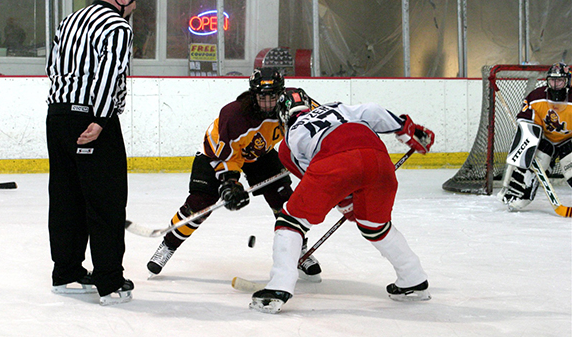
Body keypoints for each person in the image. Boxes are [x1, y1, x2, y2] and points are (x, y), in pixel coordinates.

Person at [249, 88, 435, 313]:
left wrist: (346, 204)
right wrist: (407, 131)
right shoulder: (337, 106)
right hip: (378, 160)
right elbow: (373, 110)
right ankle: (413, 280)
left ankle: (279, 287)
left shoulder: (288, 143)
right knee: (375, 227)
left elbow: (317, 177)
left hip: (336, 161)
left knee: (291, 220)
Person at [146, 68, 322, 281]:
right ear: (253, 94)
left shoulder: (295, 101)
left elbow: (321, 122)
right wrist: (230, 184)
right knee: (199, 204)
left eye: (273, 97)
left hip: (260, 154)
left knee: (284, 199)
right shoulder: (235, 116)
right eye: (262, 97)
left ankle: (299, 251)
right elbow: (227, 157)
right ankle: (168, 245)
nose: (268, 104)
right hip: (217, 155)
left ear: (281, 92)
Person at [45, 0, 146, 306]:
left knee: (65, 197)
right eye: (133, 2)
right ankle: (109, 282)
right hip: (91, 119)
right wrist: (101, 119)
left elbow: (52, 68)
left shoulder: (69, 21)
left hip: (57, 116)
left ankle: (67, 272)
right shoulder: (117, 26)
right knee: (106, 200)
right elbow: (108, 73)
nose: (132, 9)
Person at [497, 62, 572, 210]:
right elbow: (526, 123)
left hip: (568, 141)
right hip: (545, 141)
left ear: (567, 82)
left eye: (560, 81)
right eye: (552, 80)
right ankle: (522, 195)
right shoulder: (536, 96)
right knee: (535, 167)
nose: (556, 85)